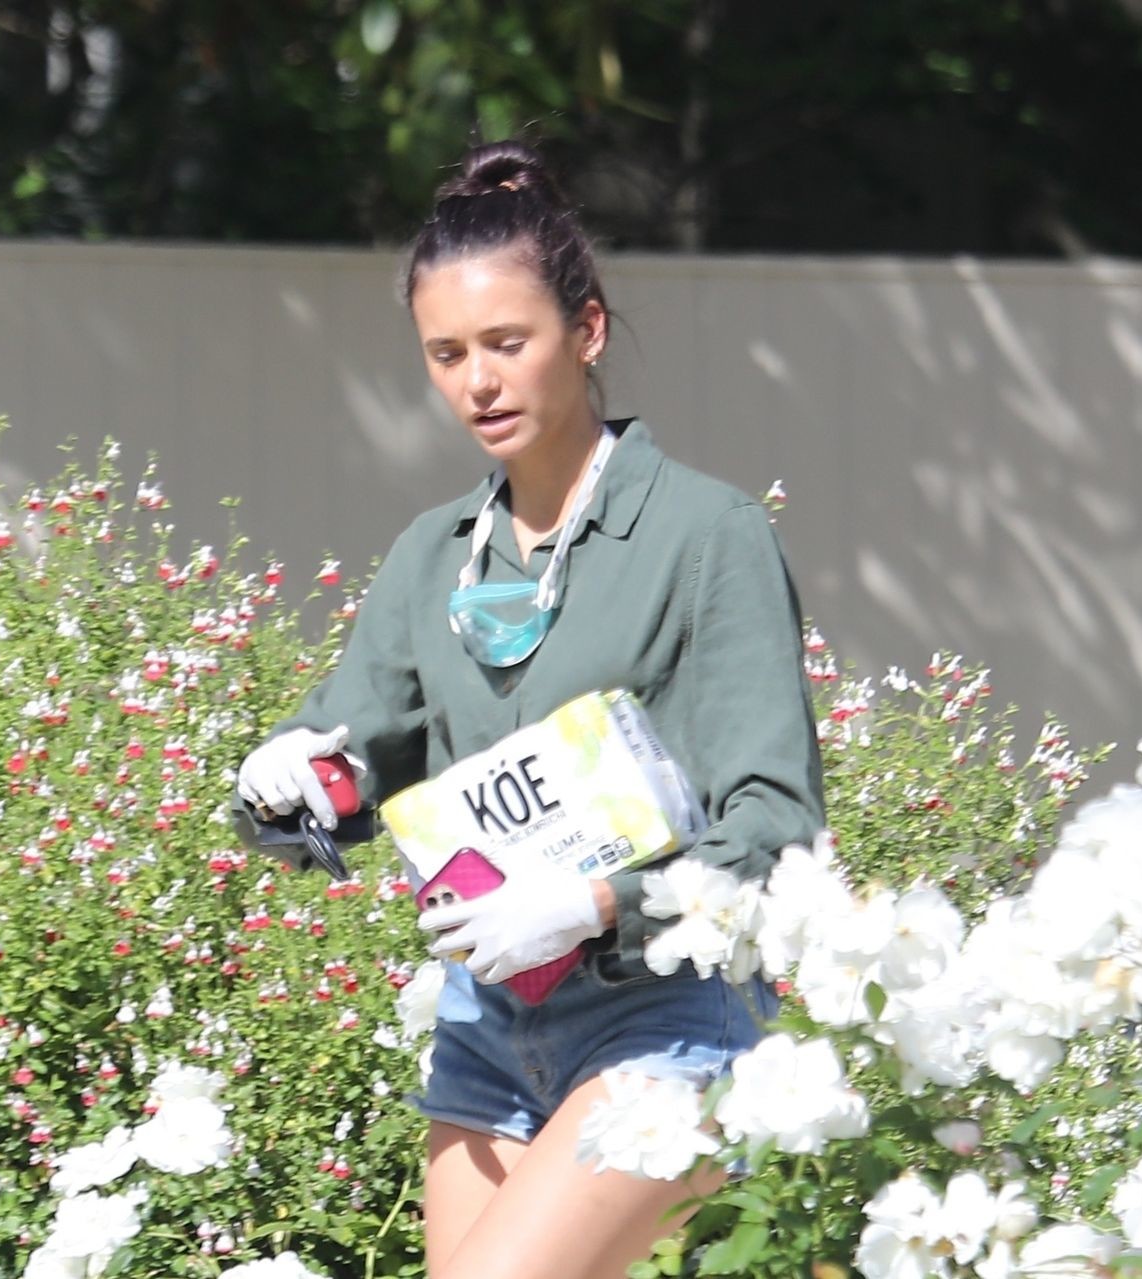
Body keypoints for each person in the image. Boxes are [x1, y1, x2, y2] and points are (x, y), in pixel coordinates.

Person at [235, 140, 825, 1279]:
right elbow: (354, 760)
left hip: (665, 1016)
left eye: (508, 343)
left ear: (587, 331)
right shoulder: (431, 556)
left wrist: (591, 902)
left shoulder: (708, 535)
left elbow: (778, 828)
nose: (479, 383)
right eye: (446, 353)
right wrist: (290, 784)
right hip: (487, 1030)